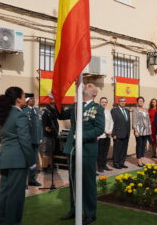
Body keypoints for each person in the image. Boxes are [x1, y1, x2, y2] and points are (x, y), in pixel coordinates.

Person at [58, 83, 104, 224]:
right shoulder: (75, 105)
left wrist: (81, 135)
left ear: (94, 93)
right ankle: (74, 210)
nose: (86, 84)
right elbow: (61, 115)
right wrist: (56, 100)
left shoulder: (97, 108)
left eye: (90, 85)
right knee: (73, 181)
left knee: (88, 183)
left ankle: (90, 213)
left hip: (87, 150)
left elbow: (99, 129)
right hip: (72, 149)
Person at [0, 87, 35, 225]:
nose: (25, 99)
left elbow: (2, 138)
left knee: (4, 195)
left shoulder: (3, 113)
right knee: (15, 198)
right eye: (23, 97)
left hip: (4, 159)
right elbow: (25, 140)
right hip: (17, 161)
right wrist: (31, 161)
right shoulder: (19, 115)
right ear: (18, 99)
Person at [22, 93, 43, 186]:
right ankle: (24, 182)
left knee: (33, 161)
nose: (33, 100)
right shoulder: (23, 111)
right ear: (26, 100)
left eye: (33, 98)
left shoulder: (38, 111)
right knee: (26, 161)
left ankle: (31, 179)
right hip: (28, 141)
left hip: (36, 140)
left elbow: (40, 126)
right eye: (31, 99)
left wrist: (41, 138)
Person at [111, 97, 131, 169]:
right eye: (121, 101)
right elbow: (112, 123)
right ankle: (116, 163)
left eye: (124, 101)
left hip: (126, 134)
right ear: (118, 102)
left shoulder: (127, 111)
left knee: (124, 149)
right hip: (118, 134)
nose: (123, 102)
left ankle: (122, 162)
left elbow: (128, 122)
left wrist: (129, 133)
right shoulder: (114, 110)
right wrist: (113, 134)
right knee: (117, 150)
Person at [132, 96, 152, 167]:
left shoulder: (146, 110)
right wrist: (135, 130)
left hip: (146, 131)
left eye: (142, 101)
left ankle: (141, 159)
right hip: (139, 131)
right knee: (139, 145)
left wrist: (150, 130)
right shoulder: (135, 110)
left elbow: (148, 120)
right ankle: (139, 161)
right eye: (139, 101)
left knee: (143, 145)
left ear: (143, 102)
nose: (140, 102)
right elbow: (134, 120)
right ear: (137, 102)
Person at [97, 97, 113, 173]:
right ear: (100, 102)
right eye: (103, 102)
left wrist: (110, 131)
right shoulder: (97, 111)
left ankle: (104, 165)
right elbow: (100, 123)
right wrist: (106, 131)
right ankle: (99, 167)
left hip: (108, 135)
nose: (104, 103)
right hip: (101, 135)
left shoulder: (108, 111)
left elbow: (111, 122)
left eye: (105, 102)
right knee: (100, 152)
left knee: (105, 151)